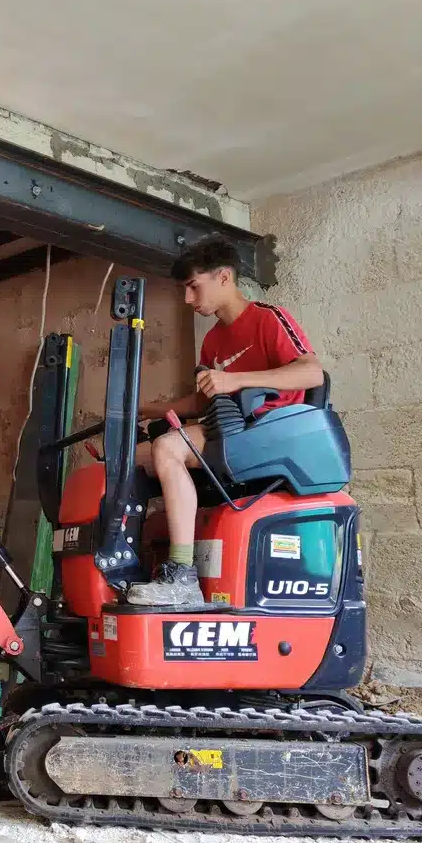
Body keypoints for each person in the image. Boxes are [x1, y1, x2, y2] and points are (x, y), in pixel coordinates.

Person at [128, 235, 324, 606]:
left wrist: (237, 380)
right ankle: (141, 563)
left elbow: (312, 374)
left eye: (193, 287)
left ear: (223, 278)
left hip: (269, 431)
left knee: (168, 448)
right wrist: (149, 408)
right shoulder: (213, 342)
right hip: (228, 429)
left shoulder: (268, 319)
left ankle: (182, 575)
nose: (188, 299)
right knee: (137, 455)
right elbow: (203, 400)